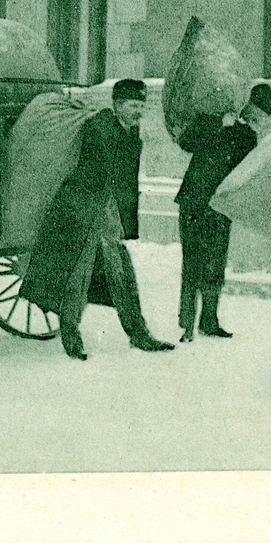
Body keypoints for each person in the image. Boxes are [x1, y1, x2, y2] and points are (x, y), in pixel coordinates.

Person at [22, 79, 175, 360]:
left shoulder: (127, 132)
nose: (138, 111)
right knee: (77, 276)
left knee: (120, 272)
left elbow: (125, 182)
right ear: (117, 105)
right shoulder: (102, 128)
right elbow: (106, 172)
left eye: (141, 105)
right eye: (132, 105)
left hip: (105, 215)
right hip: (81, 212)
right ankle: (71, 336)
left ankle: (139, 334)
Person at [175, 83, 271, 342]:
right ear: (247, 104)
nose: (258, 118)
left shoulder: (249, 136)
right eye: (256, 110)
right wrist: (218, 123)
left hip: (220, 207)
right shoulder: (214, 117)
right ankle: (186, 324)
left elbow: (245, 173)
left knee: (215, 264)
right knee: (192, 263)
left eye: (263, 116)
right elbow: (186, 141)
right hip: (194, 202)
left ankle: (209, 320)